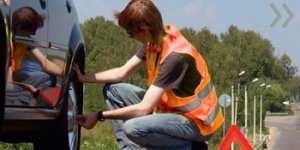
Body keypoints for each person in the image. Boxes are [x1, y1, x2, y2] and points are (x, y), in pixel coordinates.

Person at [75, 0, 224, 149]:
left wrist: (99, 115)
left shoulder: (175, 58)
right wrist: (84, 78)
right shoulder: (154, 42)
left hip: (197, 123)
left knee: (133, 128)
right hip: (170, 111)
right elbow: (122, 72)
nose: (130, 37)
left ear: (144, 29)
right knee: (114, 91)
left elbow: (144, 108)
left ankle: (190, 147)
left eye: (130, 33)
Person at [5, 7, 64, 106]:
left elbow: (45, 63)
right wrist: (27, 87)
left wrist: (65, 72)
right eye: (32, 30)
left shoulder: (25, 40)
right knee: (41, 80)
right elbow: (8, 75)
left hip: (15, 77)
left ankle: (22, 96)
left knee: (48, 77)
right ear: (19, 27)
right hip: (8, 80)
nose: (34, 33)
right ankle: (17, 102)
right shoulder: (9, 41)